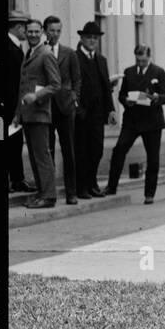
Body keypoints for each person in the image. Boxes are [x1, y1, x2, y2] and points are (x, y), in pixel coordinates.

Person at [104, 44, 165, 205]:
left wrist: (155, 97)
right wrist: (126, 101)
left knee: (153, 159)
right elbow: (121, 95)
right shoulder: (129, 72)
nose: (140, 64)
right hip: (132, 120)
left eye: (143, 61)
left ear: (149, 58)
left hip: (152, 121)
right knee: (119, 150)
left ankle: (149, 194)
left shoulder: (158, 72)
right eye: (138, 61)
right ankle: (111, 187)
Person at [12, 18, 61, 208]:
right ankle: (41, 193)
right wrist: (18, 114)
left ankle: (49, 196)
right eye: (29, 31)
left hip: (40, 114)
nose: (32, 35)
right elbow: (22, 87)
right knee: (34, 156)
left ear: (41, 32)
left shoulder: (45, 54)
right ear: (25, 32)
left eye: (35, 31)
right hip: (28, 115)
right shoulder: (29, 53)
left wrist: (37, 96)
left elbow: (56, 85)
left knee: (42, 156)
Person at [44, 16, 82, 205]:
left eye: (58, 31)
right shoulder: (40, 52)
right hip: (46, 107)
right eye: (52, 30)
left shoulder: (69, 53)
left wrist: (74, 98)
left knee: (69, 151)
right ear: (45, 31)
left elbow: (77, 79)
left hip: (65, 107)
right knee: (47, 150)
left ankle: (71, 193)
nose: (55, 34)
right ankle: (49, 193)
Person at [73, 21, 113, 199]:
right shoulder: (74, 58)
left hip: (97, 113)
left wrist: (110, 110)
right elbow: (69, 86)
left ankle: (92, 183)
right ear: (81, 38)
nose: (91, 41)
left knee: (97, 150)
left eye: (95, 38)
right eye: (88, 37)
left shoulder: (101, 60)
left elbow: (106, 87)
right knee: (82, 150)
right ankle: (82, 187)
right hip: (81, 113)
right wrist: (77, 109)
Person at [4, 9, 35, 193]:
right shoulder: (8, 48)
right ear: (17, 27)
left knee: (15, 143)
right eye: (24, 28)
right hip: (4, 110)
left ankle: (17, 179)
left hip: (15, 109)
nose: (26, 32)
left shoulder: (17, 49)